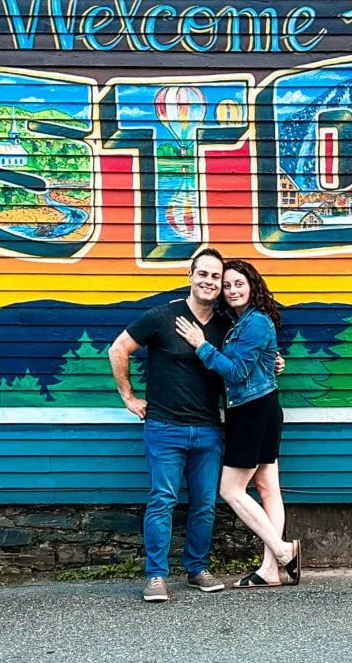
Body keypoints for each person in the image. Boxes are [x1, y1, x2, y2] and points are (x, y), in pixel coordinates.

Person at [108, 248, 231, 603]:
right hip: (164, 427)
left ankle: (197, 569)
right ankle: (156, 576)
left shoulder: (225, 324)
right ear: (191, 276)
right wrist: (128, 397)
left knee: (205, 503)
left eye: (216, 277)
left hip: (208, 429)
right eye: (203, 274)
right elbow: (118, 349)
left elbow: (243, 359)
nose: (209, 282)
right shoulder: (163, 316)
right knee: (163, 500)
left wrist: (275, 361)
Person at [175, 259, 301, 589]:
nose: (231, 290)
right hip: (260, 408)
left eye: (238, 284)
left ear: (252, 285)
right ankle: (270, 571)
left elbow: (237, 372)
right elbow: (257, 361)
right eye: (227, 285)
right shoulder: (241, 321)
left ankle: (282, 551)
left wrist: (200, 345)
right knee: (267, 489)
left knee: (230, 489)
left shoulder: (255, 322)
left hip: (252, 411)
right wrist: (272, 361)